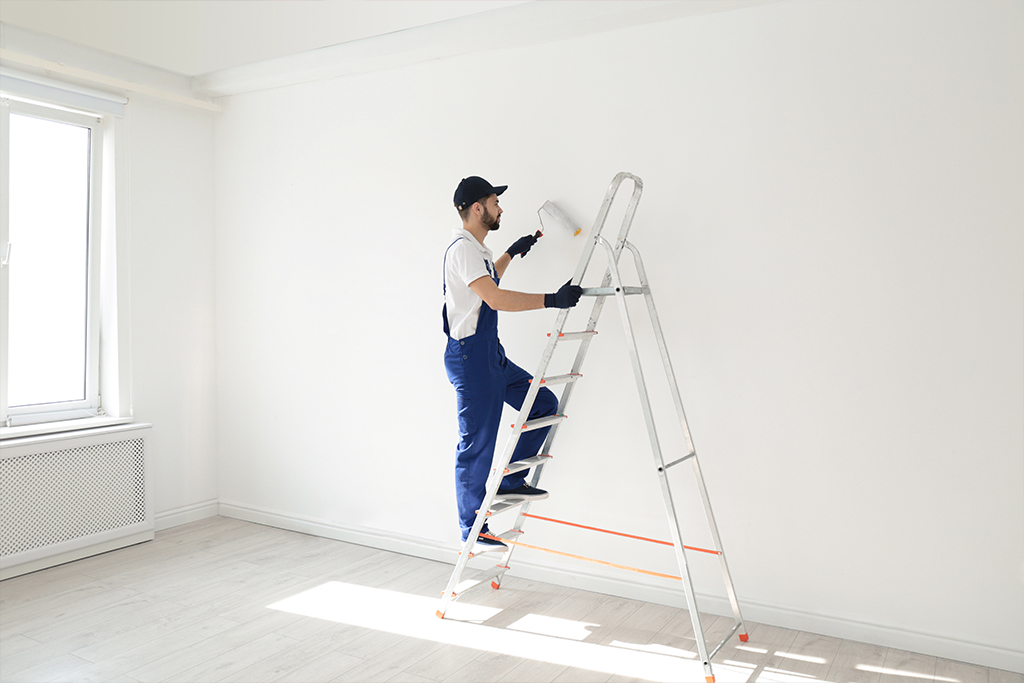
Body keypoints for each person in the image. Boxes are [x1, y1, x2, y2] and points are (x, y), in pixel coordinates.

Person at [443, 176, 583, 550]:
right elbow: (494, 298)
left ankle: (509, 479)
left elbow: (489, 280)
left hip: (489, 352)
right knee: (477, 443)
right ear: (477, 208)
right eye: (494, 202)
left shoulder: (477, 250)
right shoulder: (462, 249)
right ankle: (471, 526)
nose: (499, 208)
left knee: (542, 403)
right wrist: (552, 299)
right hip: (471, 357)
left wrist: (514, 251)